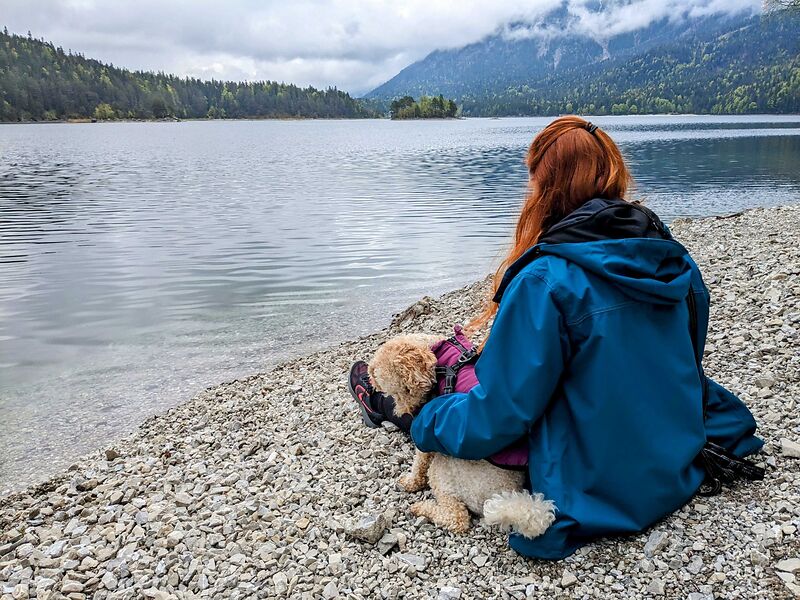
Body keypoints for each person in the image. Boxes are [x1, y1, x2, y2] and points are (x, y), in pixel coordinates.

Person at [348, 115, 763, 560]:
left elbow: (504, 414)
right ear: (613, 174)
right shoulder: (672, 259)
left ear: (544, 190)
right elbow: (684, 359)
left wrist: (428, 423)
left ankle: (392, 408)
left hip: (597, 483)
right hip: (674, 457)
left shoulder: (545, 279)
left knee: (440, 404)